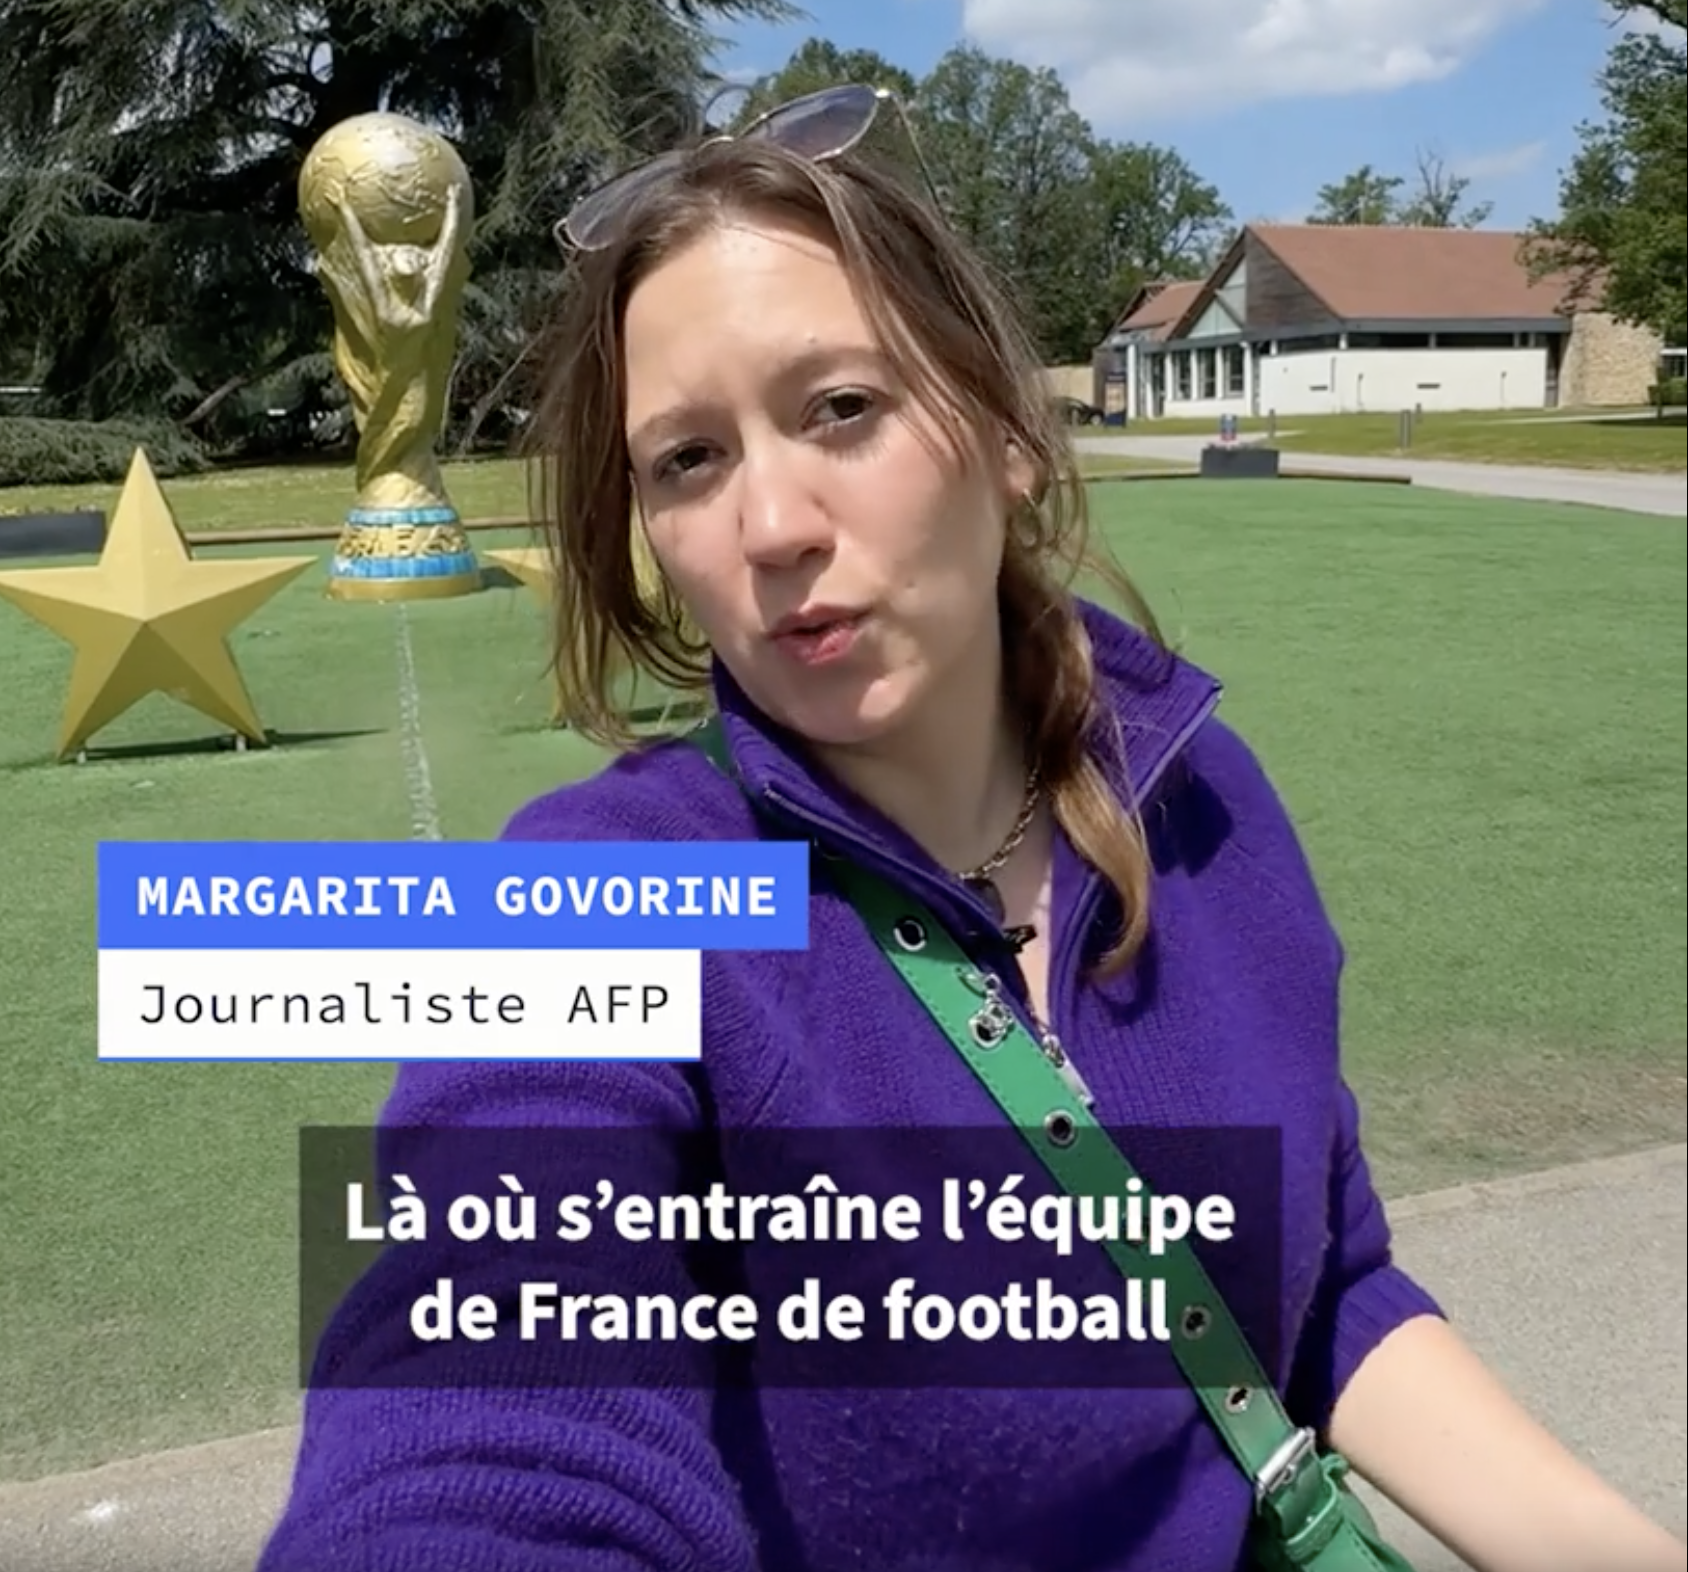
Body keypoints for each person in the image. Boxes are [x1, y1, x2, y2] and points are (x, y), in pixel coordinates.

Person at [258, 86, 1687, 1572]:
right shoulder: (595, 890)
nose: (769, 527)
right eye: (688, 459)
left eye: (840, 409)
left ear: (1004, 432)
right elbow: (479, 1374)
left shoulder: (1201, 802)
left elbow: (1323, 1290)